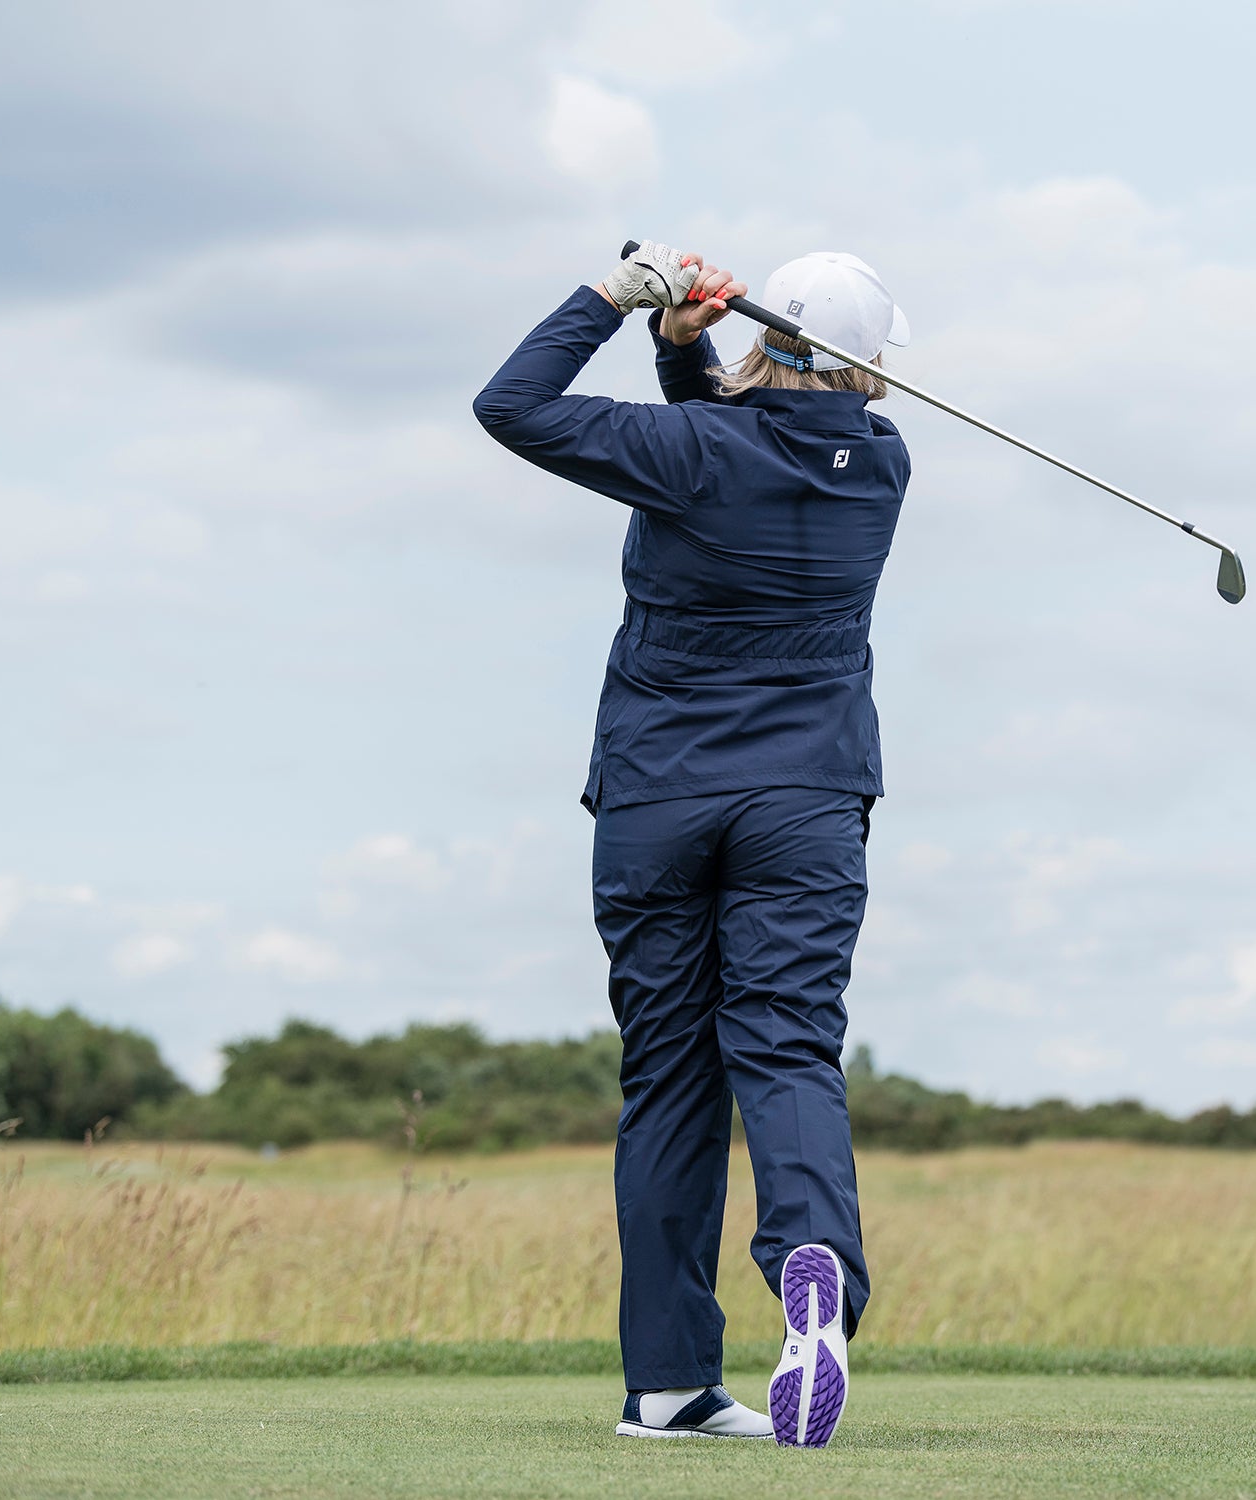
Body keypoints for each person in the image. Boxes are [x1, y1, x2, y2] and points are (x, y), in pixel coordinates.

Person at [473, 241, 910, 1447]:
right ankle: (814, 1265)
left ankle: (667, 1384)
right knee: (788, 1045)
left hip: (659, 802)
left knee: (668, 1074)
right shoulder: (881, 463)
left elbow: (513, 406)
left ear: (767, 337)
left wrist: (613, 301)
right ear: (870, 363)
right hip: (807, 803)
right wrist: (686, 351)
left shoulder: (690, 449)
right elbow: (739, 445)